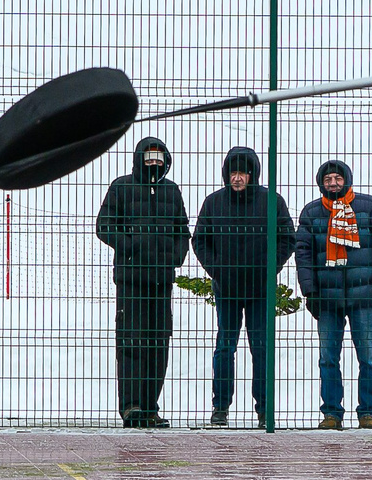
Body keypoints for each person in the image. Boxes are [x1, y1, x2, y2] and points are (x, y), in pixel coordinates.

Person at [191, 144, 297, 427]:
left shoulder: (272, 201)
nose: (237, 178)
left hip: (260, 288)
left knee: (261, 347)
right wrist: (217, 269)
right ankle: (220, 408)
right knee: (225, 346)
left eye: (243, 173)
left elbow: (288, 237)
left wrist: (269, 267)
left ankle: (264, 409)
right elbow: (199, 239)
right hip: (226, 288)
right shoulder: (213, 202)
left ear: (253, 175)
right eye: (233, 172)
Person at [95, 136, 190, 428]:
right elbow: (104, 226)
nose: (154, 162)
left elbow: (182, 231)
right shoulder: (121, 186)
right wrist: (130, 245)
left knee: (158, 344)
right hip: (131, 280)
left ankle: (150, 407)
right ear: (139, 158)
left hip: (161, 280)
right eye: (149, 156)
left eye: (159, 157)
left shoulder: (171, 191)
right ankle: (131, 406)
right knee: (132, 342)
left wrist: (174, 258)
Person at [295, 159, 372, 430]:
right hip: (327, 299)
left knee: (368, 357)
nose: (333, 183)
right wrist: (310, 291)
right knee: (328, 358)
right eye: (328, 179)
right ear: (321, 183)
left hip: (364, 296)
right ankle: (331, 414)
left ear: (347, 180)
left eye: (338, 178)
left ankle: (368, 413)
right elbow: (302, 254)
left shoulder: (369, 206)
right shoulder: (312, 212)